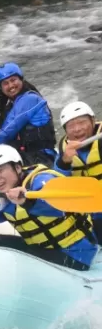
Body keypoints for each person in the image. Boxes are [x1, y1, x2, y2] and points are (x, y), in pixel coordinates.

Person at [0, 63, 57, 166]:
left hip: (42, 159)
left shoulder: (30, 99)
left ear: (21, 79)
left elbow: (10, 128)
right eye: (5, 83)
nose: (11, 86)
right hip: (25, 158)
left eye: (13, 80)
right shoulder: (11, 105)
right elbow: (2, 130)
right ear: (1, 88)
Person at [54, 100, 102, 244]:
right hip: (89, 212)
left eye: (81, 123)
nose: (77, 129)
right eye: (71, 126)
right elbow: (58, 182)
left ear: (93, 121)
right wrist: (65, 162)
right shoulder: (64, 149)